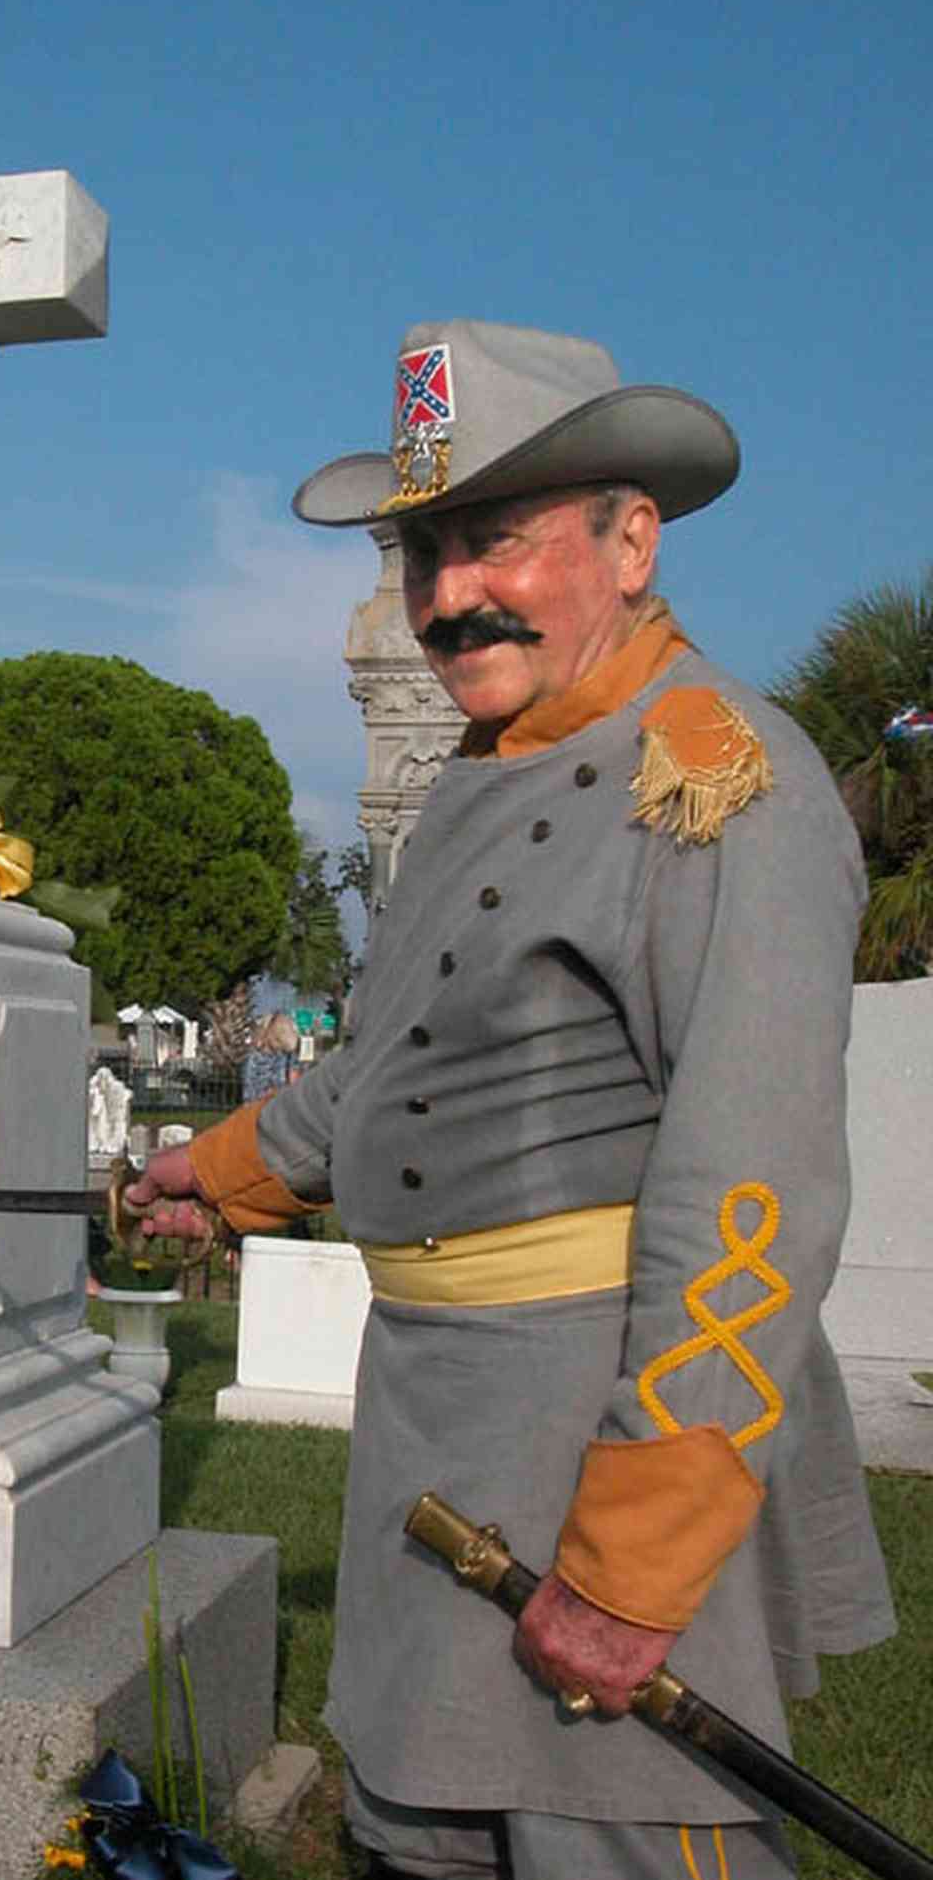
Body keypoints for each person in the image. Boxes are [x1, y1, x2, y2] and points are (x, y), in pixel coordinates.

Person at [125, 320, 895, 1880]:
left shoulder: (720, 778)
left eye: (497, 540)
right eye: (426, 552)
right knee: (423, 1834)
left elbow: (752, 1193)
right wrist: (213, 1166)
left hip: (590, 1440)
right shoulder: (492, 773)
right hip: (437, 1425)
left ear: (630, 539)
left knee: (610, 1841)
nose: (450, 593)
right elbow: (397, 1075)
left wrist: (634, 1559)